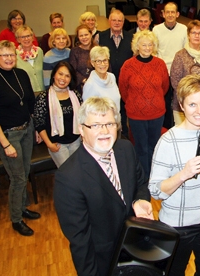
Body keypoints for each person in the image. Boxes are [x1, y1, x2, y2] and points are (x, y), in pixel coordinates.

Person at [54, 96, 153, 276]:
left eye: (110, 123)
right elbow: (80, 242)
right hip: (104, 263)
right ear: (81, 130)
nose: (105, 131)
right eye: (96, 125)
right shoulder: (68, 178)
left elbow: (141, 182)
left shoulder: (126, 149)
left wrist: (139, 200)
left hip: (137, 248)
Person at [149, 74, 200, 276]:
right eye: (192, 104)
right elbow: (156, 190)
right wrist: (183, 174)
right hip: (178, 226)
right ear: (182, 106)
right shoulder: (168, 141)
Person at [0, 40, 40, 236]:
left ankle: (23, 208)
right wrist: (6, 145)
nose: (9, 59)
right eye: (4, 55)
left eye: (11, 55)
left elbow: (30, 102)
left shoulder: (21, 74)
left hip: (26, 129)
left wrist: (36, 129)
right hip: (7, 135)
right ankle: (16, 219)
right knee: (18, 178)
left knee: (25, 170)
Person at [119, 30, 169, 179]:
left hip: (157, 114)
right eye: (144, 45)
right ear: (137, 46)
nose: (147, 48)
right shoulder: (128, 65)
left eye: (150, 45)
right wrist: (137, 103)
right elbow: (123, 90)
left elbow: (164, 87)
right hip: (136, 116)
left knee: (154, 147)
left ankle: (155, 176)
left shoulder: (160, 64)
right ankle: (144, 179)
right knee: (141, 148)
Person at [170, 20, 200, 125]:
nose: (197, 36)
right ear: (188, 35)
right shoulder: (180, 55)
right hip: (184, 107)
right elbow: (175, 81)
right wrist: (191, 98)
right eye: (193, 33)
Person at [34, 61, 82, 168]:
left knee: (79, 171)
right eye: (60, 74)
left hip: (76, 141)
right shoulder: (43, 97)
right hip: (58, 145)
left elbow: (83, 117)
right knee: (68, 174)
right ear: (54, 75)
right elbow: (39, 123)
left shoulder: (75, 94)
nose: (63, 79)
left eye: (67, 76)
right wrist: (49, 144)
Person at [153, 2, 188, 129]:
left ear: (177, 14)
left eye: (173, 12)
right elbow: (154, 51)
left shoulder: (184, 29)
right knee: (165, 103)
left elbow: (186, 51)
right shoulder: (156, 30)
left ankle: (182, 127)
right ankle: (166, 129)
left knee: (181, 102)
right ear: (163, 14)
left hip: (180, 72)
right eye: (167, 12)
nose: (170, 14)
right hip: (163, 72)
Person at [98, 9, 133, 137]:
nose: (117, 23)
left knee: (124, 108)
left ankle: (123, 134)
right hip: (107, 81)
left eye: (120, 20)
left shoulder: (131, 38)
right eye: (114, 20)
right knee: (108, 108)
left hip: (126, 81)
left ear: (123, 22)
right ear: (109, 21)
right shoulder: (100, 37)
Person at [82, 46, 121, 113]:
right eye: (98, 61)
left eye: (105, 60)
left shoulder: (112, 77)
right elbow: (87, 111)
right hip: (101, 122)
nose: (102, 64)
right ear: (92, 63)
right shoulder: (90, 84)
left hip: (116, 120)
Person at [15, 26, 44, 92]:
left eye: (28, 36)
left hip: (42, 91)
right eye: (23, 37)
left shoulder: (39, 51)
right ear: (18, 40)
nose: (26, 39)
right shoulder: (15, 54)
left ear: (32, 37)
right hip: (26, 92)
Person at [69, 24, 96, 94]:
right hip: (81, 87)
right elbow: (73, 70)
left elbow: (106, 68)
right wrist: (84, 80)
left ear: (91, 34)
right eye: (81, 35)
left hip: (97, 85)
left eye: (86, 34)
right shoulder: (74, 51)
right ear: (78, 37)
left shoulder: (98, 49)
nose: (84, 37)